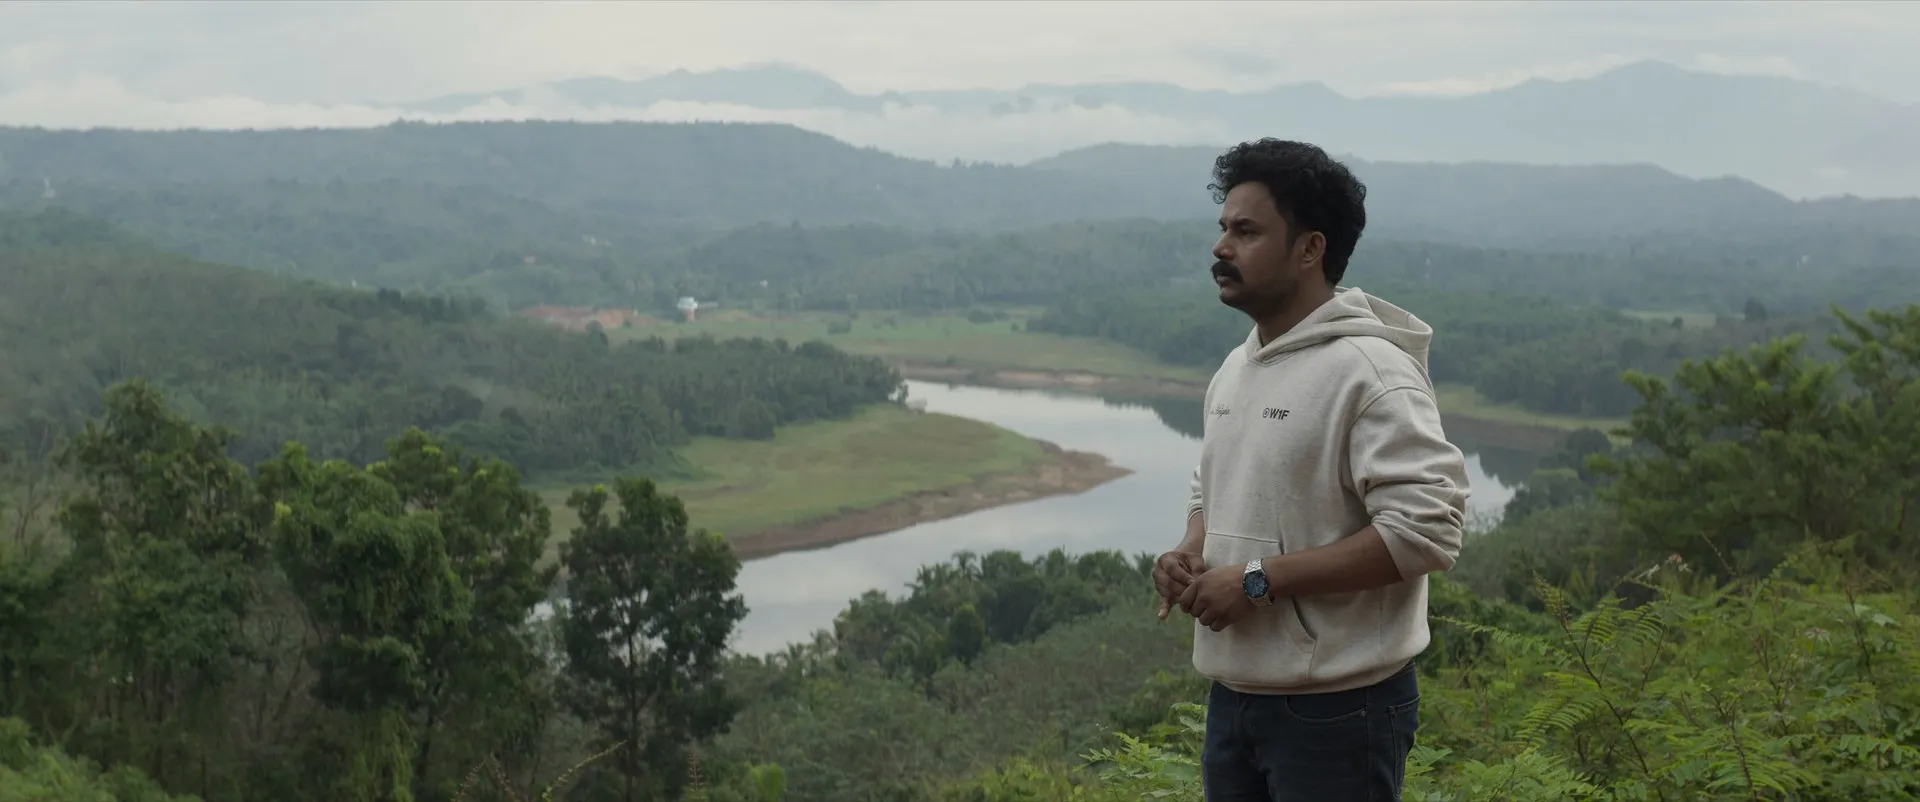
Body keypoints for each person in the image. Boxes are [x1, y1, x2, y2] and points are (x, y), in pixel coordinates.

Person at [1152, 138, 1471, 801]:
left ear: (1309, 249)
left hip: (1340, 711)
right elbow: (1214, 485)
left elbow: (1427, 532)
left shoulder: (1371, 372)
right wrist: (1190, 549)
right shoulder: (1238, 366)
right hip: (1234, 696)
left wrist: (1257, 581)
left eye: (1246, 232)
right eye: (1223, 228)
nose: (1221, 247)